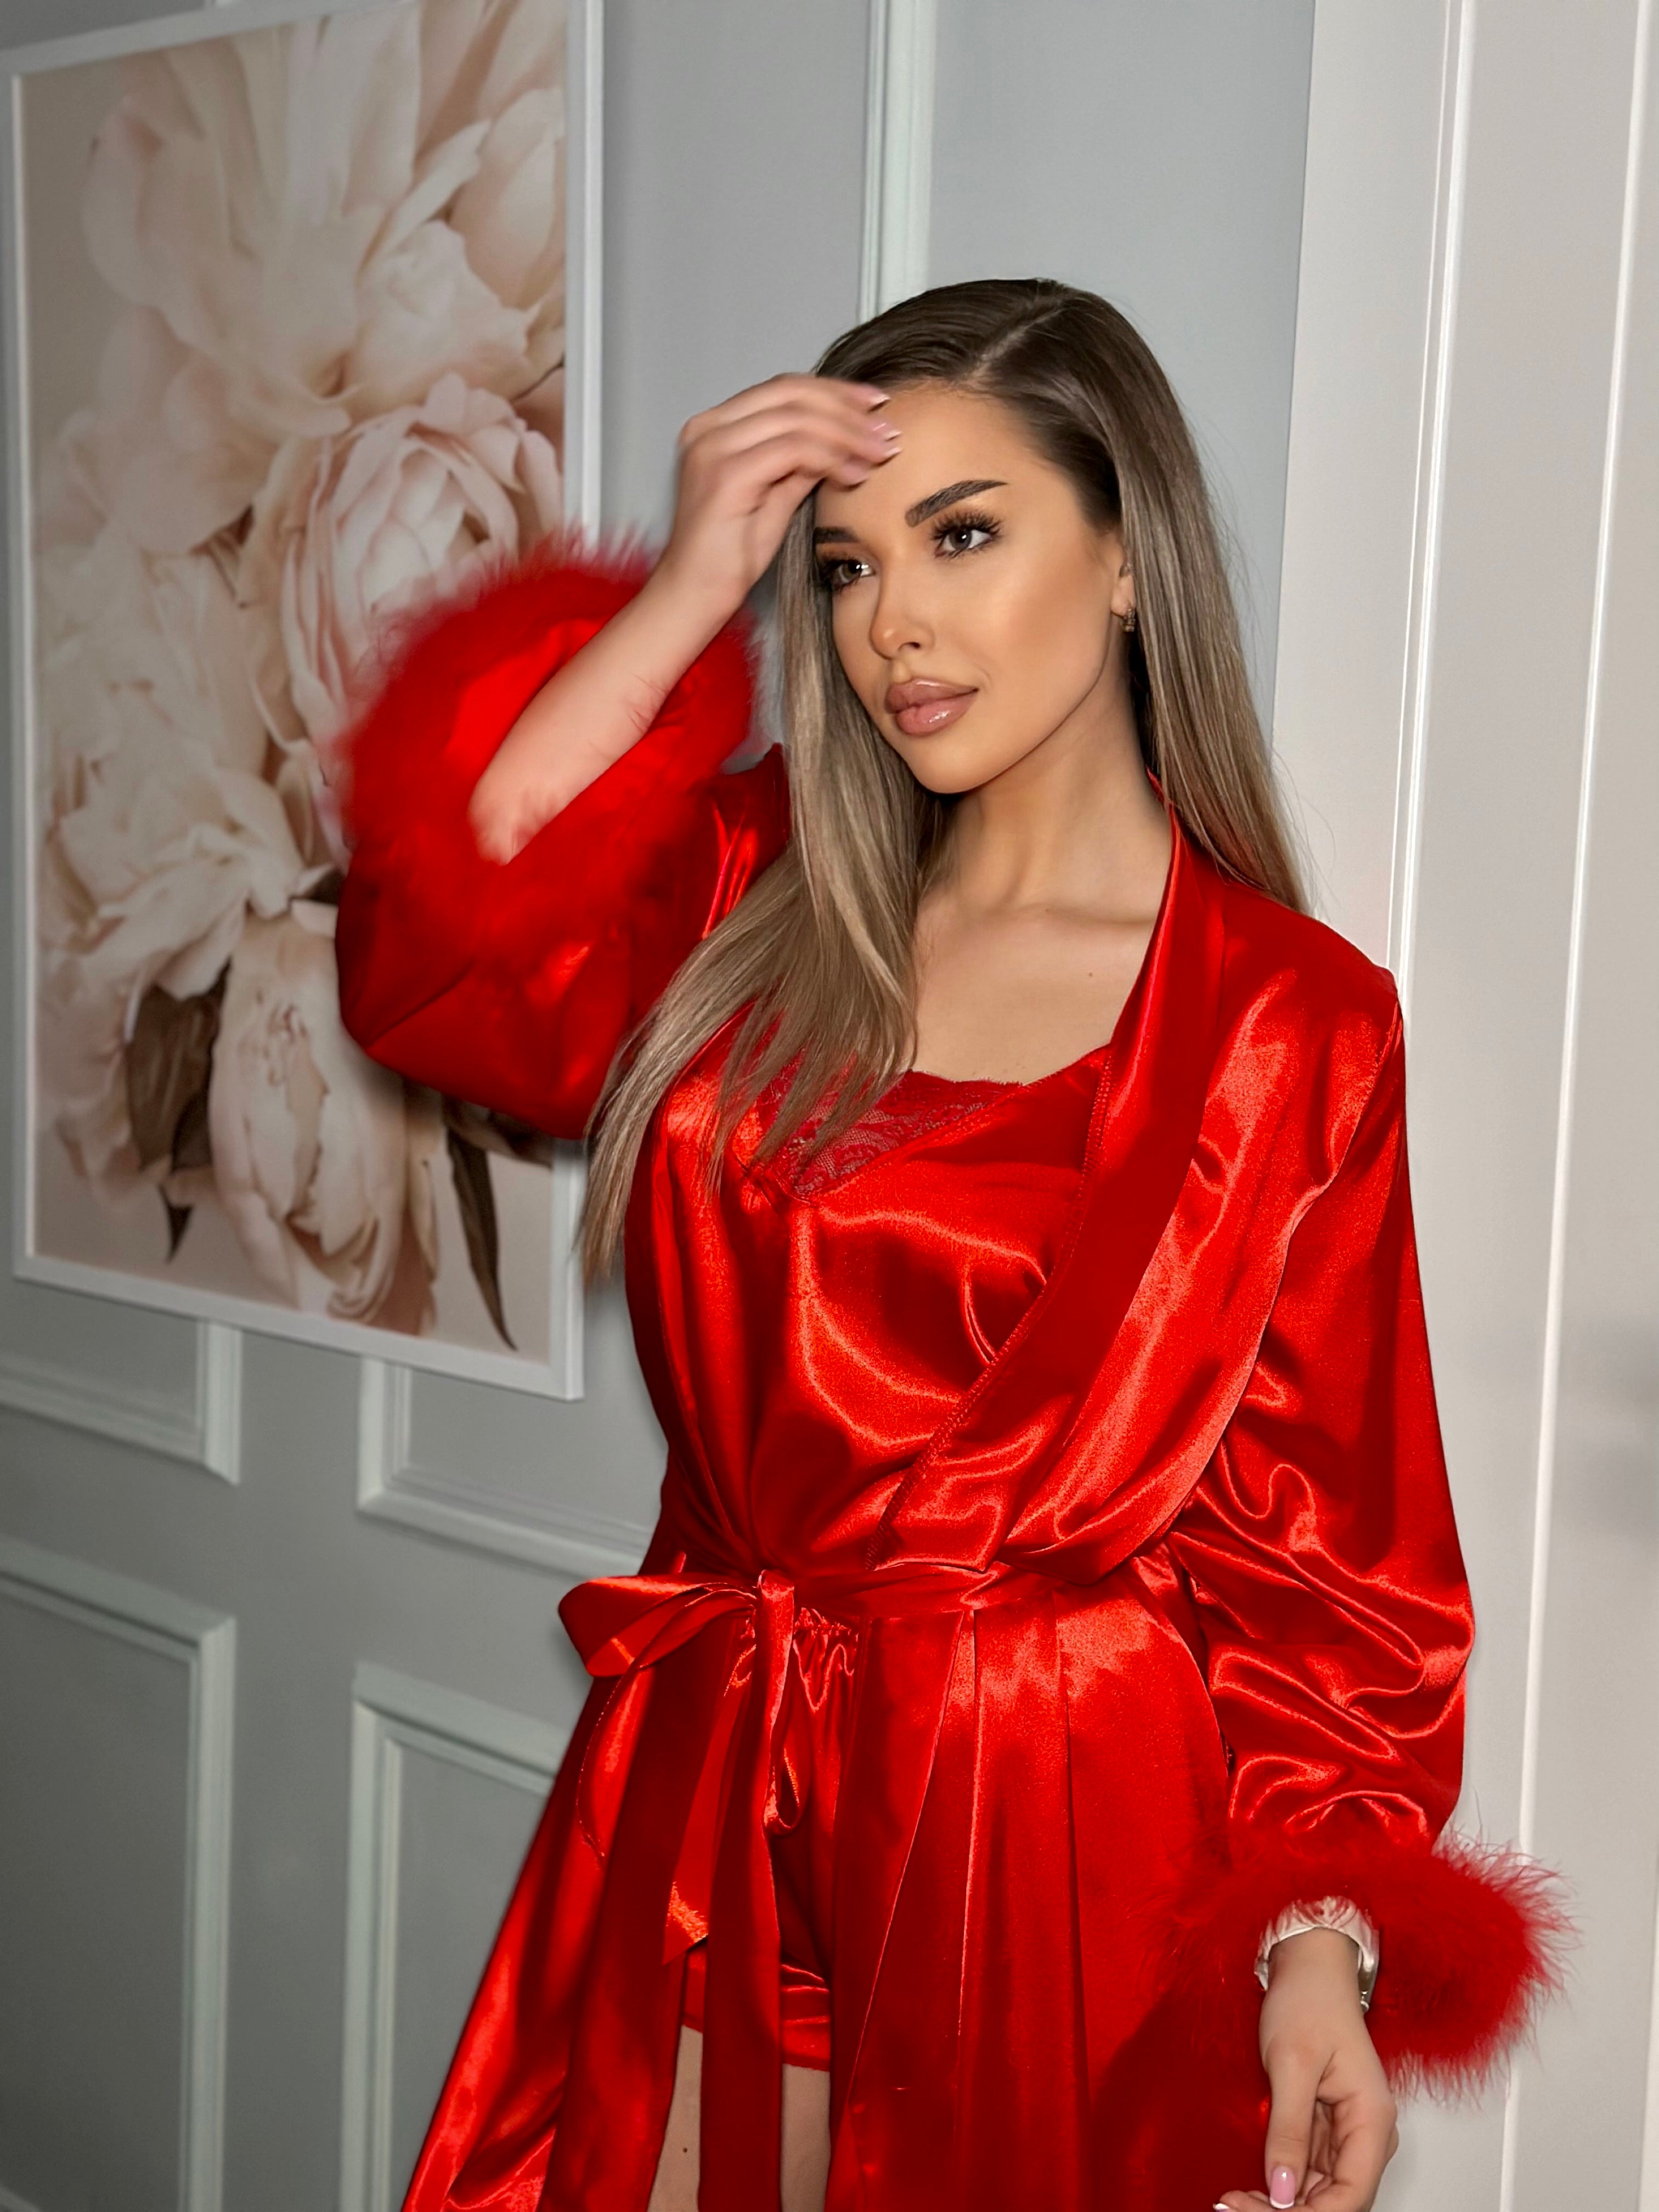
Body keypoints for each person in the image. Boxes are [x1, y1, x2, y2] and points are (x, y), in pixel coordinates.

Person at [335, 278, 1562, 2212]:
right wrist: (686, 592)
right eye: (843, 566)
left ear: (1130, 557)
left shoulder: (1288, 1023)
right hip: (716, 1773)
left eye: (963, 535)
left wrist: (1319, 1950)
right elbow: (441, 956)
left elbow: (1338, 1569)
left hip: (1056, 1824)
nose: (889, 620)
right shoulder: (755, 889)